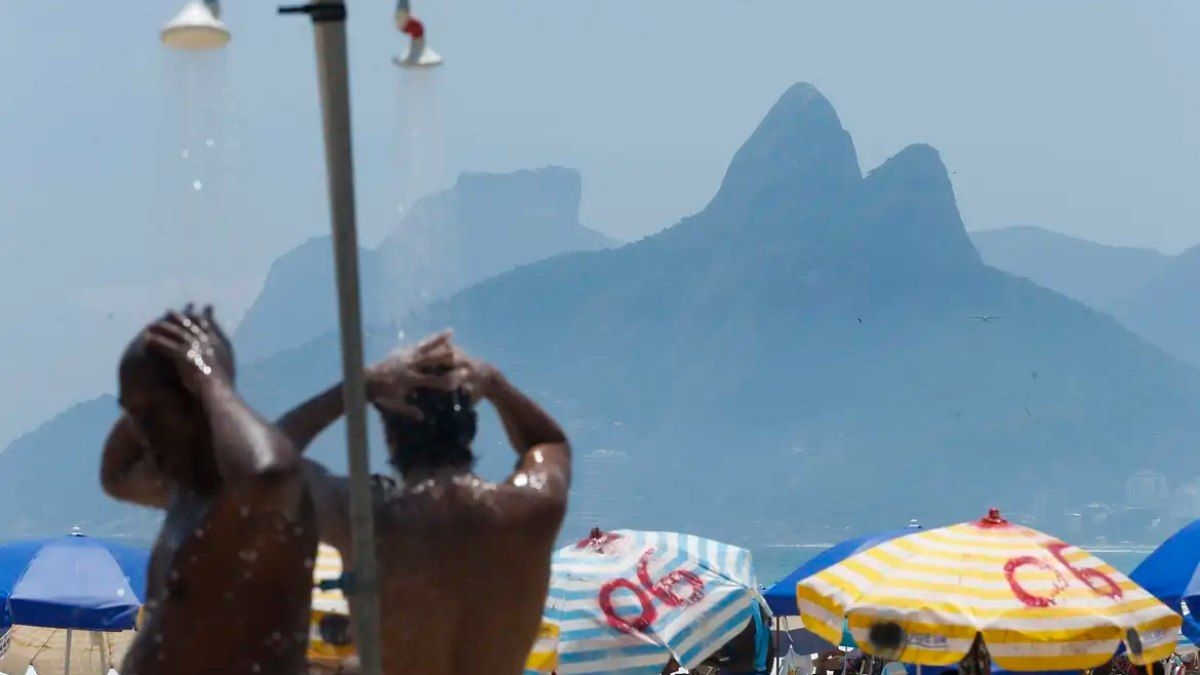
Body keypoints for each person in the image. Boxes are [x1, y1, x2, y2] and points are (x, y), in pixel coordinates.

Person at [277, 331, 571, 675]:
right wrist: (493, 383)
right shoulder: (529, 510)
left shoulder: (364, 518)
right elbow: (549, 441)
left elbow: (272, 464)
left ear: (390, 438)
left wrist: (361, 386)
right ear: (471, 427)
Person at [100, 306, 317, 675]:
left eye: (155, 413)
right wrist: (152, 381)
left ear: (200, 403)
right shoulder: (185, 494)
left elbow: (269, 471)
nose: (143, 435)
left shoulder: (247, 507)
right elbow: (115, 475)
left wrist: (211, 376)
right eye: (134, 415)